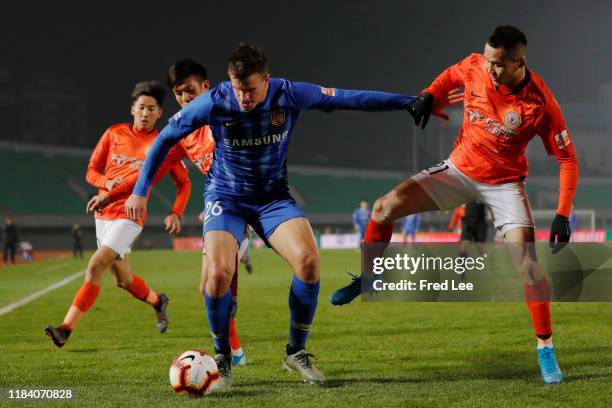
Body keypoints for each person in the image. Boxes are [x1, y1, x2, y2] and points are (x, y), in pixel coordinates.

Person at [124, 44, 453, 389]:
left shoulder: (291, 94)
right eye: (238, 89)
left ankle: (295, 352)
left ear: (266, 80)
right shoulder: (215, 101)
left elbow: (349, 98)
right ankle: (222, 358)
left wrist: (408, 101)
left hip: (272, 199)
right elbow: (162, 141)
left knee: (309, 262)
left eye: (250, 89)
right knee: (218, 275)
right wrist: (140, 192)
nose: (244, 98)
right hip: (226, 198)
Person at [330, 26, 578, 384]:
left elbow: (567, 160)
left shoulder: (540, 102)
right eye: (488, 60)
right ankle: (371, 275)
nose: (490, 69)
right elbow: (450, 76)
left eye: (498, 64)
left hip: (505, 185)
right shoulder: (475, 65)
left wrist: (562, 214)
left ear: (519, 62)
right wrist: (430, 94)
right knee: (383, 208)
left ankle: (545, 349)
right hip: (458, 171)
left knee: (528, 267)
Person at [91, 59, 249, 366]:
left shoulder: (227, 109)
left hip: (252, 202)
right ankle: (235, 353)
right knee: (208, 288)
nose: (186, 99)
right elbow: (151, 170)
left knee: (219, 283)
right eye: (179, 94)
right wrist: (112, 193)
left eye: (191, 91)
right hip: (223, 208)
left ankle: (371, 283)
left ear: (207, 87)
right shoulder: (184, 131)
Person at [44, 81, 192, 348]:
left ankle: (65, 329)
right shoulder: (113, 134)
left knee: (94, 266)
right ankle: (158, 301)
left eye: (152, 109)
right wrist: (105, 184)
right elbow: (91, 171)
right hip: (104, 214)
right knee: (123, 280)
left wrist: (176, 212)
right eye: (141, 107)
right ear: (132, 109)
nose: (145, 113)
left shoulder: (163, 144)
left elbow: (184, 183)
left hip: (131, 216)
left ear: (160, 113)